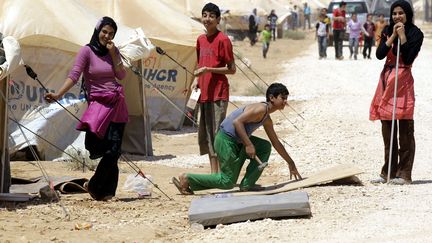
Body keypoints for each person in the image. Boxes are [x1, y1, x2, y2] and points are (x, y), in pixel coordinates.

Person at [44, 17, 128, 201]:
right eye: (104, 32)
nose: (107, 36)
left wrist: (114, 54)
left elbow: (121, 75)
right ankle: (97, 187)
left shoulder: (113, 51)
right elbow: (74, 76)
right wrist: (58, 94)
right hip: (98, 105)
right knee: (99, 146)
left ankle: (104, 191)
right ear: (97, 30)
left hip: (117, 104)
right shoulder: (87, 51)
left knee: (115, 150)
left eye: (111, 34)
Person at [172, 83, 302, 194]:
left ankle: (247, 184)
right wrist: (249, 145)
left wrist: (290, 162)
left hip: (237, 141)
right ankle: (187, 178)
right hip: (225, 140)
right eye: (283, 98)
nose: (285, 102)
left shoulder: (266, 119)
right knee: (227, 182)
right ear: (271, 98)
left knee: (264, 146)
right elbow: (237, 122)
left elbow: (276, 143)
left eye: (286, 98)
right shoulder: (260, 109)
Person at [370, 0, 423, 185]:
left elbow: (408, 57)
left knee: (405, 130)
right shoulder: (386, 30)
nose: (397, 16)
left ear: (407, 14)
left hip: (403, 82)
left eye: (401, 13)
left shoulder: (416, 33)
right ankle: (388, 172)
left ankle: (404, 173)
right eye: (394, 13)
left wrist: (402, 36)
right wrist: (392, 36)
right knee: (387, 128)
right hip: (387, 81)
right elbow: (379, 54)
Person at [192, 2, 236, 174]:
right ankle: (214, 174)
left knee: (219, 135)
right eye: (205, 15)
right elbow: (200, 62)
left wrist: (209, 70)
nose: (207, 19)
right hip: (205, 93)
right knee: (208, 134)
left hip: (218, 93)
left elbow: (232, 69)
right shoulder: (200, 40)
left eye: (211, 16)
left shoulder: (223, 40)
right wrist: (195, 80)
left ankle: (226, 173)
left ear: (218, 19)